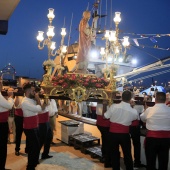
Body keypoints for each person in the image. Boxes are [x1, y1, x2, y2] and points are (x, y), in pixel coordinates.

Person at [104, 90, 138, 170]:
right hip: (125, 134)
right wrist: (132, 106)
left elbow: (105, 117)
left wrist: (104, 105)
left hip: (113, 133)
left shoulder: (114, 106)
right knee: (127, 154)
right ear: (130, 99)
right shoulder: (133, 111)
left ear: (121, 97)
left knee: (114, 154)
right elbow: (135, 117)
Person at [140, 92, 170, 170]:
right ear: (165, 100)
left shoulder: (149, 110)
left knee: (150, 162)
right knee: (163, 163)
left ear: (155, 99)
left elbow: (142, 118)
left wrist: (145, 110)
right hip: (166, 139)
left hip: (152, 139)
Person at [21, 83, 45, 170]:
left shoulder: (31, 99)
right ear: (28, 91)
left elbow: (42, 108)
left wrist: (40, 100)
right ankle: (30, 167)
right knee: (33, 148)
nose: (34, 92)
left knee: (36, 146)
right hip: (29, 127)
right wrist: (38, 99)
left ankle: (34, 162)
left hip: (35, 125)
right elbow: (39, 109)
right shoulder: (25, 102)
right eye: (33, 90)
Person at [0, 77, 14, 170]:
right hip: (1, 125)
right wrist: (11, 97)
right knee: (2, 148)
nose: (1, 83)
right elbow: (9, 106)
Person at [37, 88, 53, 159]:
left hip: (47, 121)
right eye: (41, 91)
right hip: (41, 122)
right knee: (41, 140)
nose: (42, 92)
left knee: (49, 138)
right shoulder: (35, 99)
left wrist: (47, 97)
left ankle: (45, 154)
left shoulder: (43, 98)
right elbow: (41, 108)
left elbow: (48, 104)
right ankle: (35, 157)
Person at [130, 99, 145, 168]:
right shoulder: (139, 106)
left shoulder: (121, 106)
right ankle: (136, 162)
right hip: (134, 127)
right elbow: (143, 116)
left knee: (128, 145)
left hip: (126, 126)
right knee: (136, 145)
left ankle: (132, 162)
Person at [96, 101, 111, 168]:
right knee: (106, 141)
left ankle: (104, 156)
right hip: (105, 124)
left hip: (101, 123)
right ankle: (105, 156)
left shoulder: (100, 102)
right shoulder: (104, 103)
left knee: (105, 140)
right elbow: (104, 115)